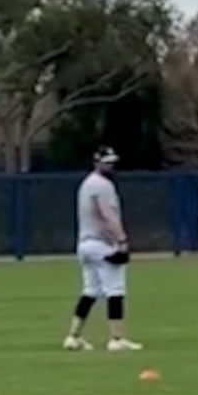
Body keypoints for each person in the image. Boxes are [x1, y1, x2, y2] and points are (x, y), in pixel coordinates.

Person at [65, 146, 141, 352]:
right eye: (107, 163)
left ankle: (73, 336)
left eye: (112, 162)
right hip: (102, 244)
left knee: (90, 291)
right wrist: (121, 239)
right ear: (97, 163)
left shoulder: (87, 183)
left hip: (85, 243)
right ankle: (117, 338)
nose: (111, 166)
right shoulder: (103, 185)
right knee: (115, 290)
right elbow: (106, 214)